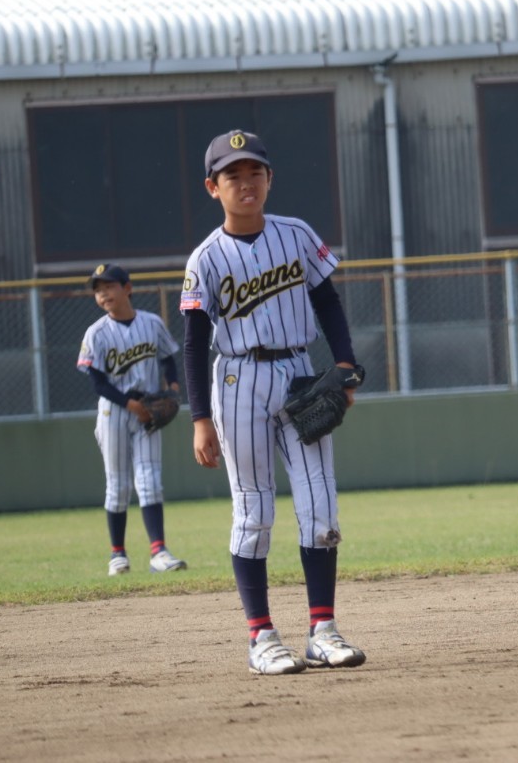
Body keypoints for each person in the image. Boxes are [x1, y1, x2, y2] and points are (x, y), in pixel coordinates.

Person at [180, 129, 366, 676]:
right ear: (212, 187)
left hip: (299, 372)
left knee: (321, 508)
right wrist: (199, 419)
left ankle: (323, 630)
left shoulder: (296, 234)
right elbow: (193, 343)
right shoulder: (205, 259)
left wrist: (346, 364)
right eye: (232, 175)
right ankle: (261, 636)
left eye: (254, 172)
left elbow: (326, 301)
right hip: (237, 380)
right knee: (255, 510)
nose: (246, 183)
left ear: (269, 179)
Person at [77, 263, 187, 577]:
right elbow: (98, 382)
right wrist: (130, 404)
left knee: (150, 482)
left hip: (149, 411)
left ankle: (159, 552)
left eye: (109, 286)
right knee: (118, 486)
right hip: (114, 413)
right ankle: (118, 555)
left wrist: (174, 388)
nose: (102, 294)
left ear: (127, 288)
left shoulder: (151, 324)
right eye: (98, 289)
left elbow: (168, 359)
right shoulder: (96, 333)